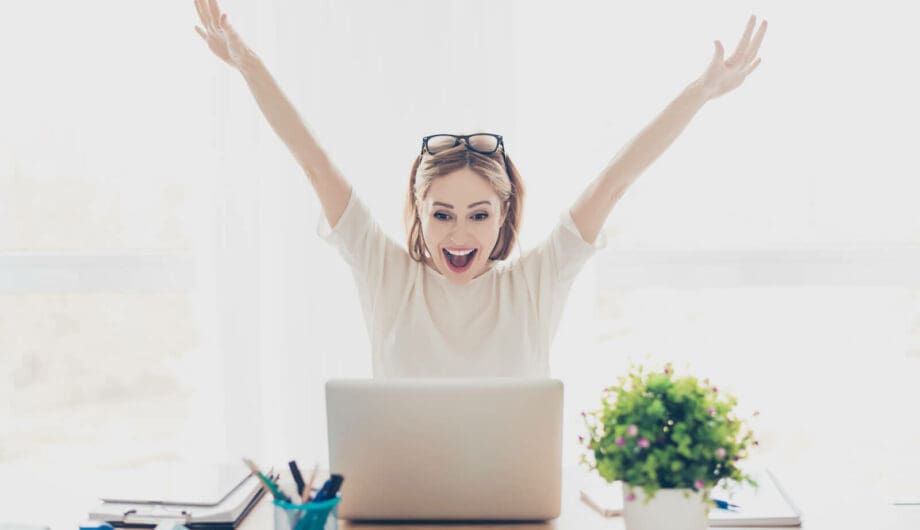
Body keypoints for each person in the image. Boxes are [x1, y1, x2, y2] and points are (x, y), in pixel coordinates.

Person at [193, 0, 767, 377]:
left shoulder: (537, 282)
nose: (460, 233)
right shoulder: (384, 271)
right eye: (441, 215)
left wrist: (699, 92)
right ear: (418, 213)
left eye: (478, 214)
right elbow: (314, 162)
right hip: (403, 501)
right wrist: (247, 64)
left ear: (503, 215)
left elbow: (614, 182)